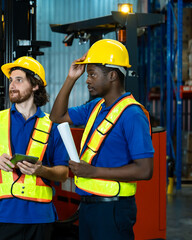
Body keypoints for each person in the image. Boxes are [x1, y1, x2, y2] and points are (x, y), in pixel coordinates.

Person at [49, 39, 154, 240]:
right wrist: (71, 78)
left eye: (92, 75)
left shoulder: (132, 115)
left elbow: (145, 170)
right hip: (89, 207)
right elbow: (57, 117)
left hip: (113, 209)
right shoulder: (95, 106)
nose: (87, 80)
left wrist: (93, 171)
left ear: (113, 75)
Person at [0, 56, 69, 240]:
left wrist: (41, 170)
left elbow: (63, 173)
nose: (12, 86)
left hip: (40, 219)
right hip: (2, 217)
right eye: (10, 80)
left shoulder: (53, 126)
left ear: (35, 85)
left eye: (19, 80)